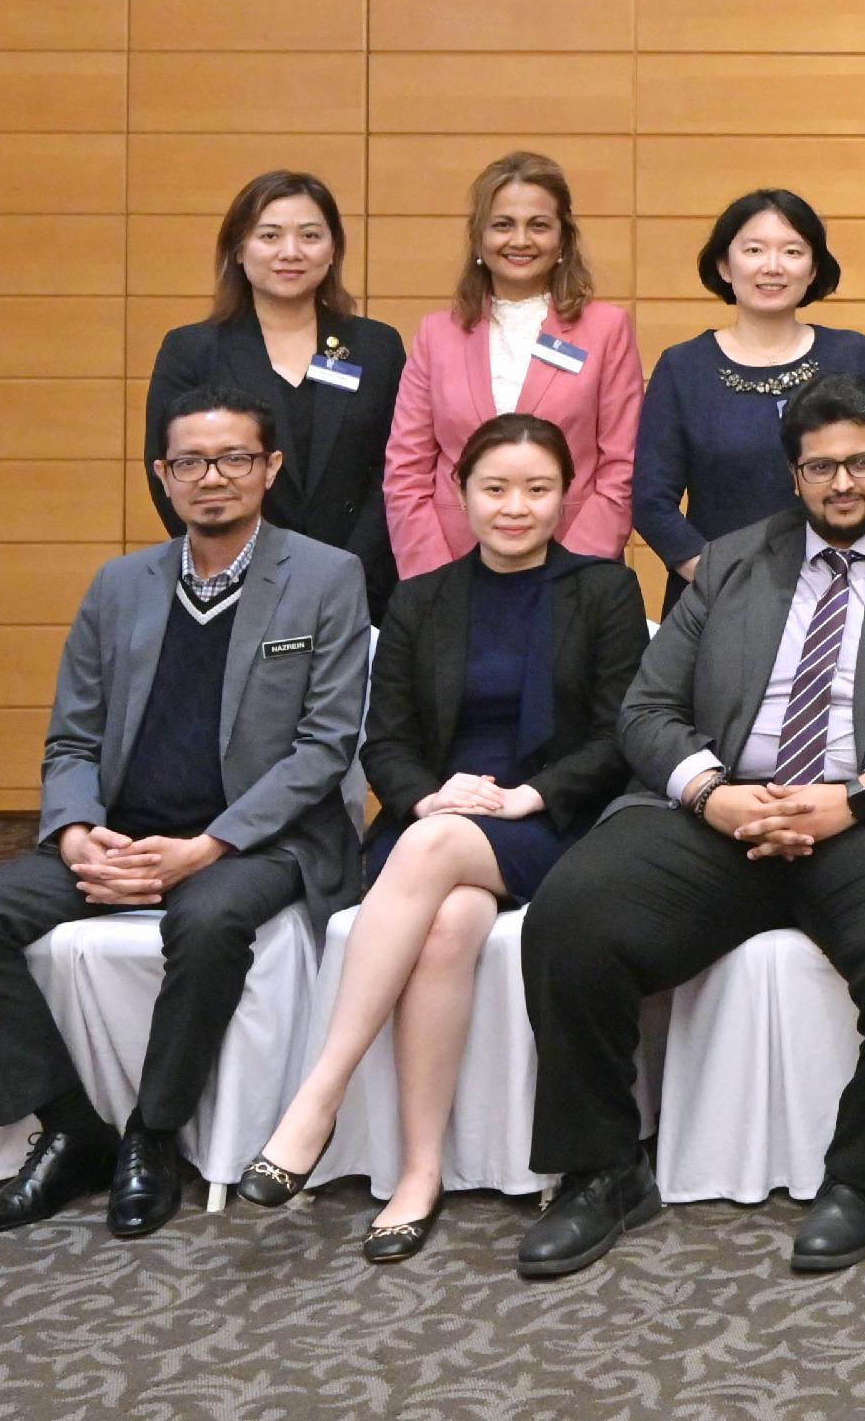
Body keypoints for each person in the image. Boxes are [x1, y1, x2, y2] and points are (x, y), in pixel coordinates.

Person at [515, 376, 865, 1280]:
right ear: (793, 474)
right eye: (821, 467)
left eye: (861, 464)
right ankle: (602, 1169)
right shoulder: (728, 564)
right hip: (731, 809)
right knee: (573, 912)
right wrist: (708, 791)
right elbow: (648, 708)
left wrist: (863, 794)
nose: (844, 484)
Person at [0, 384, 370, 1238]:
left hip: (256, 842)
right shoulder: (120, 584)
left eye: (235, 458)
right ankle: (69, 1126)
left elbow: (324, 747)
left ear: (269, 468)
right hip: (123, 834)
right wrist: (79, 833)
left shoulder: (323, 577)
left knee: (205, 925)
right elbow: (72, 741)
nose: (214, 478)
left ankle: (152, 1134)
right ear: (163, 475)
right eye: (191, 462)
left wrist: (207, 847)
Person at [236, 413, 646, 1261]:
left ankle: (320, 1093)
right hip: (438, 820)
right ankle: (420, 1172)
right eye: (495, 488)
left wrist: (530, 795)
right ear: (460, 494)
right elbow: (383, 739)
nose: (515, 508)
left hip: (552, 822)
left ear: (566, 495)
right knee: (452, 923)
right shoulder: (421, 599)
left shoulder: (604, 590)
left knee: (432, 857)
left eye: (537, 489)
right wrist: (427, 799)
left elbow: (619, 734)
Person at [144, 169, 408, 614]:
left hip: (362, 585)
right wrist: (231, 559)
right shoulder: (192, 350)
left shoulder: (375, 346)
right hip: (235, 585)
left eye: (310, 235)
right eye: (269, 236)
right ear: (239, 250)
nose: (291, 252)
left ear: (332, 251)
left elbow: (398, 467)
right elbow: (173, 471)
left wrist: (352, 570)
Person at [384, 151, 642, 579]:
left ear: (563, 238)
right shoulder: (435, 335)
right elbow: (406, 470)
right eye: (503, 224)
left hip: (574, 566)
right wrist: (435, 579)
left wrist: (570, 572)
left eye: (538, 225)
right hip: (451, 566)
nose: (520, 240)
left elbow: (622, 465)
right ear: (478, 238)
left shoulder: (607, 329)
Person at [634, 188, 865, 614]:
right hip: (715, 597)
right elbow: (650, 498)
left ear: (812, 270)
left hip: (841, 592)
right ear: (724, 266)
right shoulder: (684, 367)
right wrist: (712, 574)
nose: (772, 266)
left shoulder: (851, 355)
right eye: (754, 249)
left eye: (792, 251)